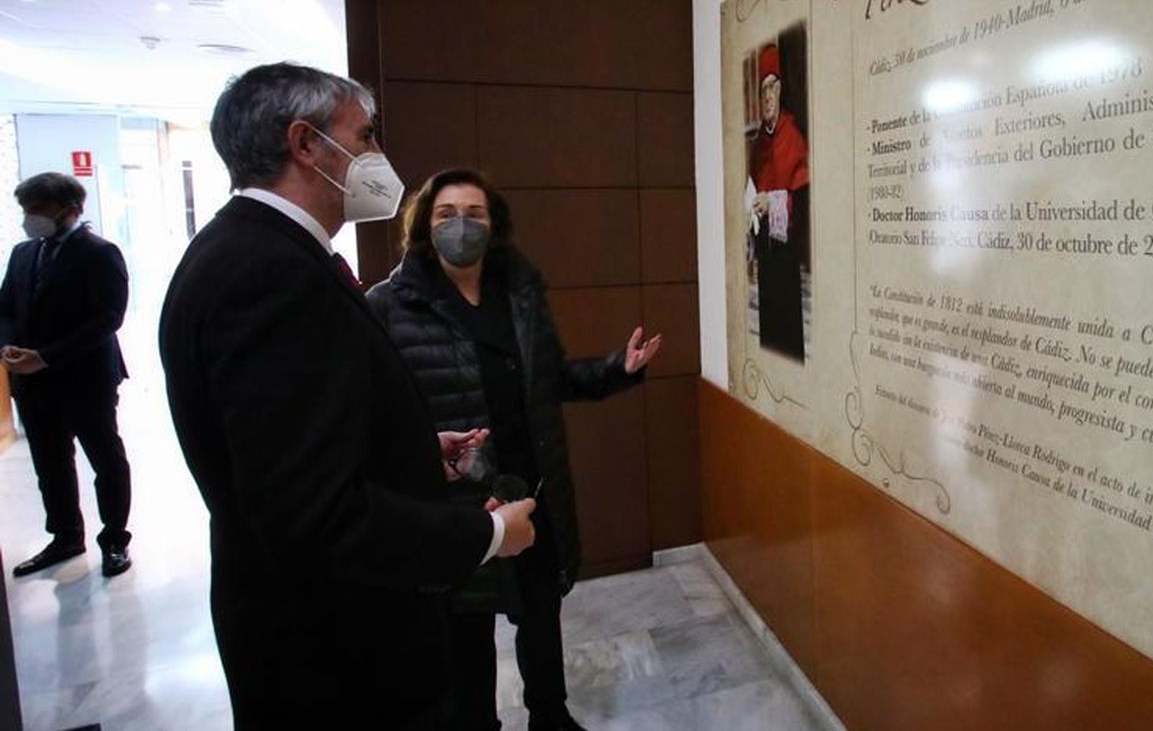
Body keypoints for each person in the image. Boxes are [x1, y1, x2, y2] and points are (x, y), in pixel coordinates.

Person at [158, 63, 539, 730]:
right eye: (364, 137)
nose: (377, 155)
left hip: (318, 639)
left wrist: (412, 452)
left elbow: (290, 450)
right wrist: (488, 532)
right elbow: (316, 514)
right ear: (306, 144)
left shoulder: (245, 251)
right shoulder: (269, 276)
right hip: (337, 659)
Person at [366, 168, 661, 731]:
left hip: (532, 487)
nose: (461, 225)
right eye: (446, 214)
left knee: (541, 612)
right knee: (467, 630)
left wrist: (617, 370)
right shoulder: (388, 305)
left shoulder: (520, 293)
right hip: (459, 503)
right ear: (425, 226)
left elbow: (553, 380)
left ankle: (550, 716)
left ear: (494, 223)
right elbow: (378, 415)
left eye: (474, 213)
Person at [0, 171, 132, 578]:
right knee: (51, 464)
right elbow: (6, 308)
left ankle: (115, 540)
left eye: (38, 209)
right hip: (33, 384)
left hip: (85, 380)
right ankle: (65, 536)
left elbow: (107, 319)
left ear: (70, 209)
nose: (30, 217)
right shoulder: (24, 254)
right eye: (26, 209)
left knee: (106, 460)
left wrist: (46, 356)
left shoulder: (99, 253)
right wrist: (7, 346)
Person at [747, 42, 809, 359]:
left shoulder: (793, 136)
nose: (768, 96)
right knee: (769, 330)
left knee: (786, 328)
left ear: (781, 90)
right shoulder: (759, 142)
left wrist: (773, 202)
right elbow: (752, 185)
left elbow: (803, 197)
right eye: (763, 90)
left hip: (785, 254)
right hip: (765, 250)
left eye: (773, 87)